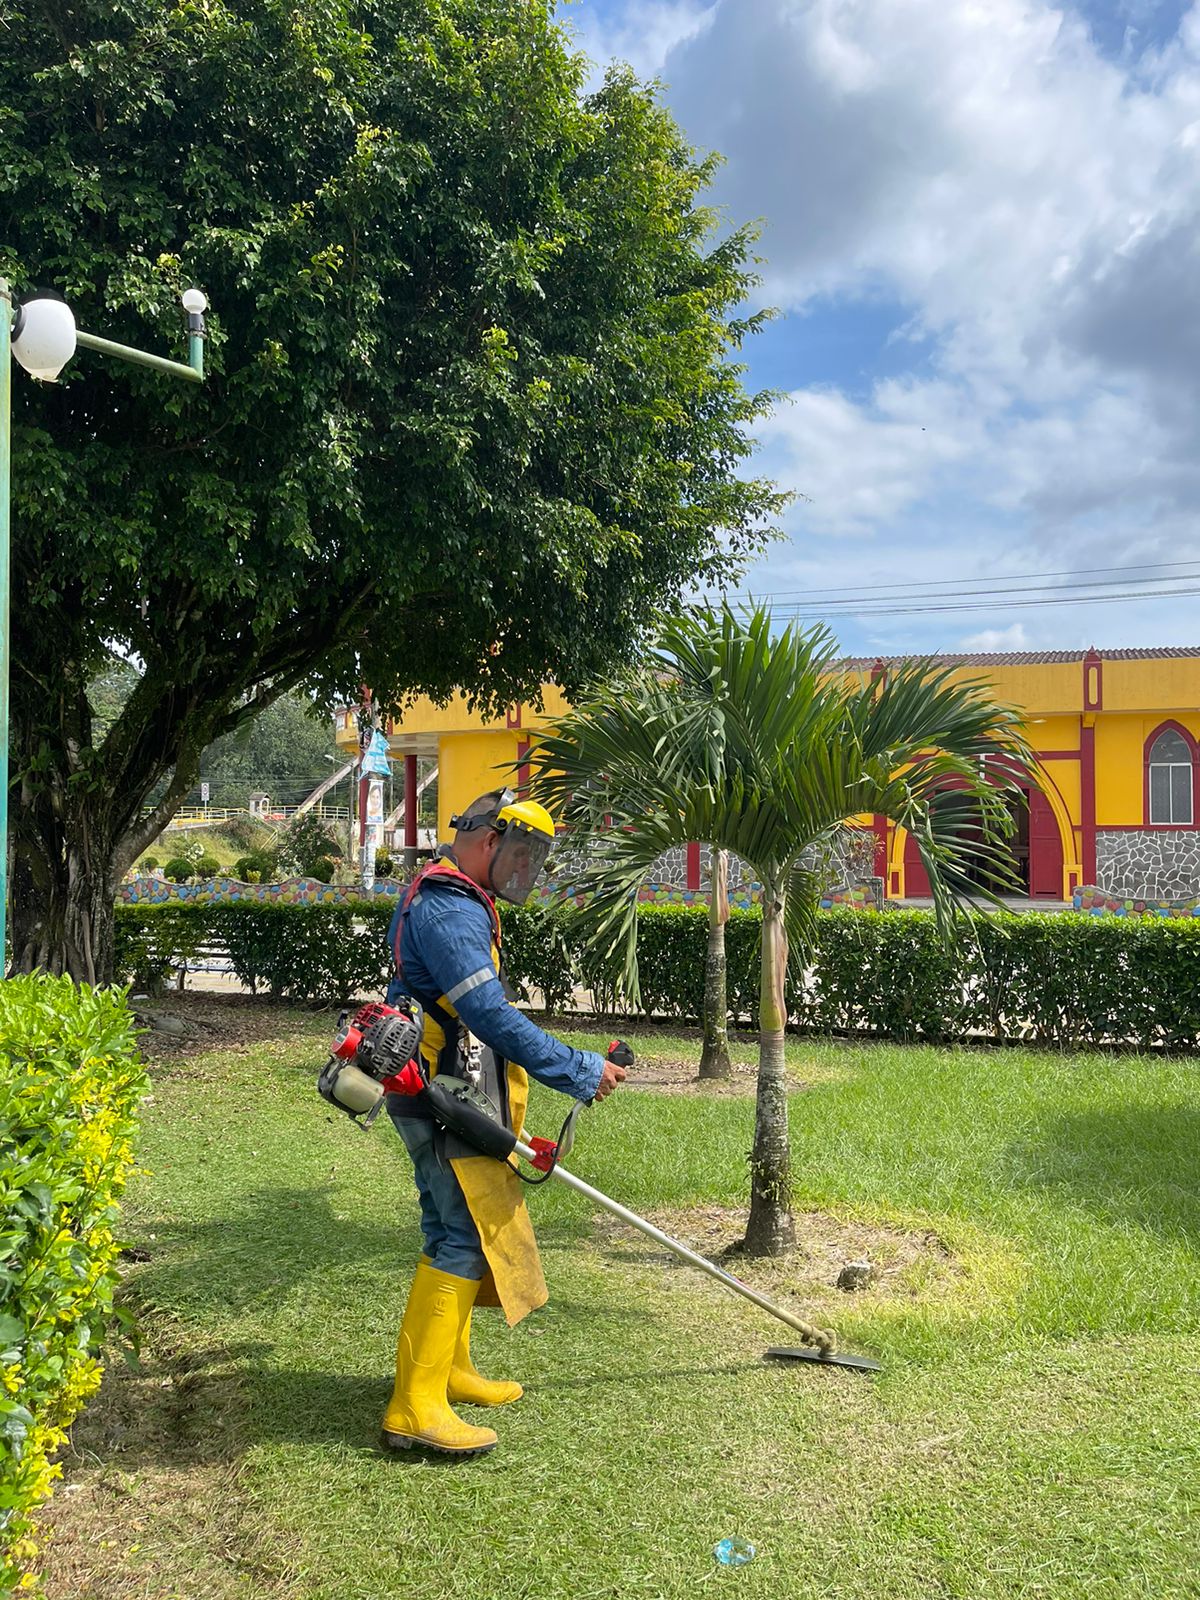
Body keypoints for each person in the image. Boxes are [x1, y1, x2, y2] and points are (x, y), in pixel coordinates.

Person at [380, 789, 626, 1457]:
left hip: (438, 1088)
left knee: (447, 1228)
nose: (525, 870)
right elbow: (488, 1015)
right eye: (520, 854)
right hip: (438, 1094)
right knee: (461, 1233)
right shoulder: (450, 907)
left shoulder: (447, 892)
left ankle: (447, 1372)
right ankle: (414, 1404)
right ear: (489, 840)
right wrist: (579, 1069)